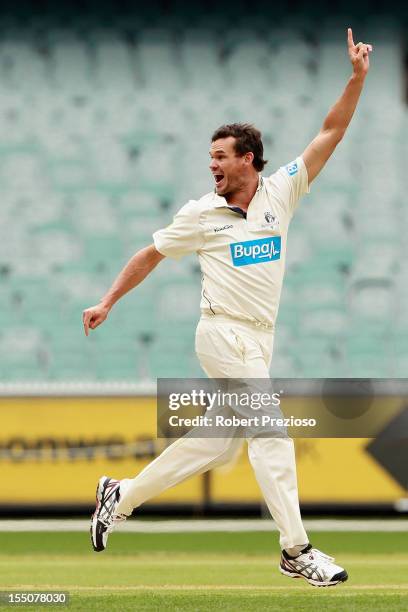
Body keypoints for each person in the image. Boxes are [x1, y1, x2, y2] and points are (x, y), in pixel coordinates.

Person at [83, 28, 371, 587]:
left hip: (259, 337)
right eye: (209, 158)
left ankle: (121, 496)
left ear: (250, 161)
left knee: (216, 448)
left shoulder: (281, 191)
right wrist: (109, 299)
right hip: (221, 334)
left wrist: (356, 79)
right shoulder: (200, 214)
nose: (211, 166)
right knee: (271, 434)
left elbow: (331, 130)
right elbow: (151, 253)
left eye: (220, 157)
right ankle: (296, 549)